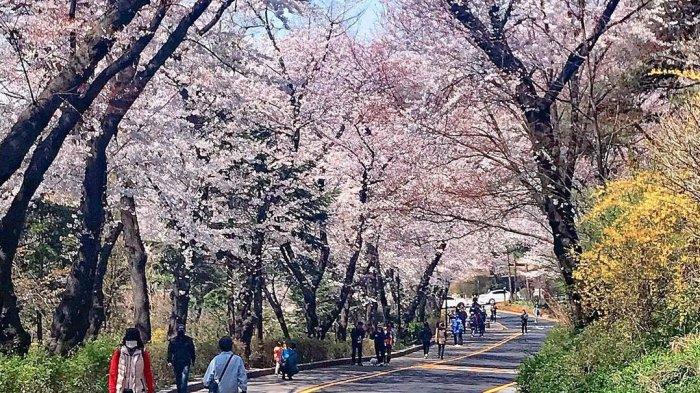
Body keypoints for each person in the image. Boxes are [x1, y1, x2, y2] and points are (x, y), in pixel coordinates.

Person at [108, 327, 155, 393]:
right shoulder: (119, 353)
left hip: (138, 389)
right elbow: (113, 373)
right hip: (121, 389)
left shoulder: (143, 353)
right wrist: (112, 390)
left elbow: (147, 372)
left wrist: (150, 389)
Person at [167, 324, 196, 393]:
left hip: (182, 361)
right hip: (181, 361)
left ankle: (181, 391)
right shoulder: (174, 340)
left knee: (181, 378)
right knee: (182, 379)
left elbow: (192, 350)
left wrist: (169, 360)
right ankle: (181, 391)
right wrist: (169, 360)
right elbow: (170, 351)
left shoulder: (174, 340)